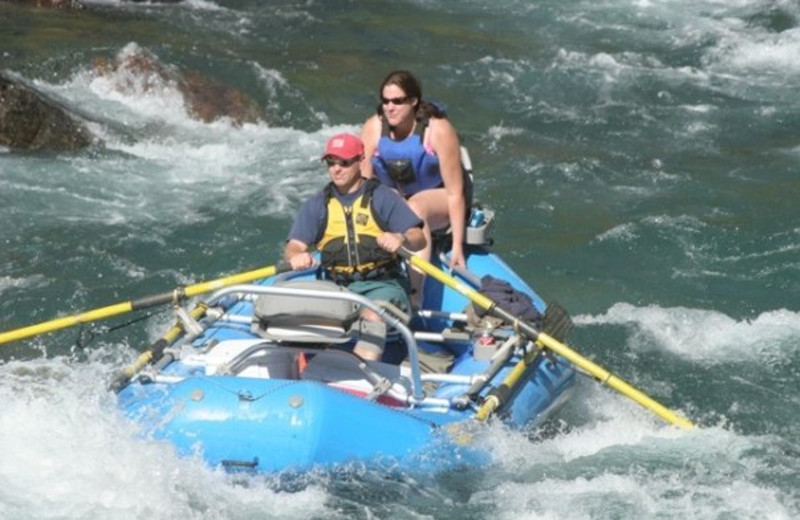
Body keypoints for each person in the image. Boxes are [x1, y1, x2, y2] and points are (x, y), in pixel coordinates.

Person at [284, 133, 426, 361]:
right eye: (331, 163)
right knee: (305, 321)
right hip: (338, 288)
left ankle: (361, 377)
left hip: (383, 285)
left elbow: (419, 237)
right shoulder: (317, 204)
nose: (336, 169)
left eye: (344, 163)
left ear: (360, 161)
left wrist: (400, 238)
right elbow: (294, 246)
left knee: (372, 316)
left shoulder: (382, 197)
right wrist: (296, 255)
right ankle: (309, 374)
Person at [360, 70, 471, 304]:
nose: (390, 107)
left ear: (413, 101)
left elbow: (455, 193)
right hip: (397, 197)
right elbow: (363, 186)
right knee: (382, 199)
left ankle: (414, 293)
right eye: (386, 101)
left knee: (415, 206)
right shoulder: (373, 128)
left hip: (438, 200)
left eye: (397, 101)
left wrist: (458, 246)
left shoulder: (439, 130)